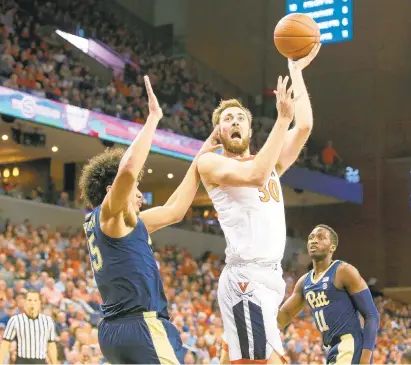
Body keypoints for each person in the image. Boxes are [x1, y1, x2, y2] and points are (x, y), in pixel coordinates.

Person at [78, 75, 220, 364]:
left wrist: (200, 158)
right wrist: (153, 119)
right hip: (141, 325)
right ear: (111, 192)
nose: (141, 197)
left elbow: (174, 211)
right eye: (137, 191)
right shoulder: (110, 214)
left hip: (116, 331)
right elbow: (128, 171)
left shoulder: (124, 224)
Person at [198, 44, 321, 364]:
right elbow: (254, 175)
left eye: (241, 117)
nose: (235, 121)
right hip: (245, 279)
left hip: (271, 278)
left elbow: (304, 126)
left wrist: (296, 73)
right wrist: (281, 121)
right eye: (228, 119)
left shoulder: (271, 166)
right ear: (219, 131)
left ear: (250, 129)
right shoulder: (211, 164)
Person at [277, 225, 380, 364]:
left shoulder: (343, 271)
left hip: (350, 345)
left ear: (332, 247)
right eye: (311, 238)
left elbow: (371, 315)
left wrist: (366, 358)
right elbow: (285, 314)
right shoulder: (304, 282)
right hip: (332, 348)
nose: (314, 241)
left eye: (321, 238)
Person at [0, 290, 58, 364]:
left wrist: (54, 363)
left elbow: (51, 344)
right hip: (22, 361)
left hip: (40, 361)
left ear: (39, 302)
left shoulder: (47, 321)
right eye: (29, 300)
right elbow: (6, 343)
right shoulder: (15, 320)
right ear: (25, 302)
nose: (32, 303)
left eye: (35, 300)